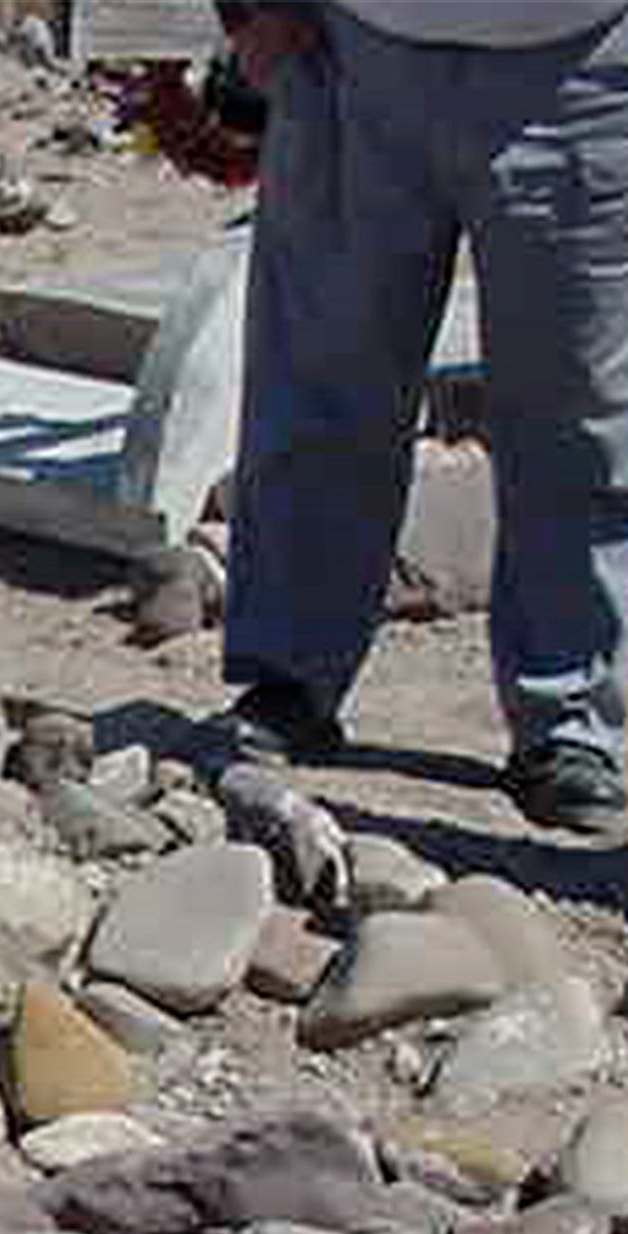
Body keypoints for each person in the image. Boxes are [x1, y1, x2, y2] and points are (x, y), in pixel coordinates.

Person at [213, 0, 628, 836]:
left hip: (584, 56)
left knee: (577, 409)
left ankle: (571, 719)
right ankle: (290, 670)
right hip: (353, 46)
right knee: (323, 374)